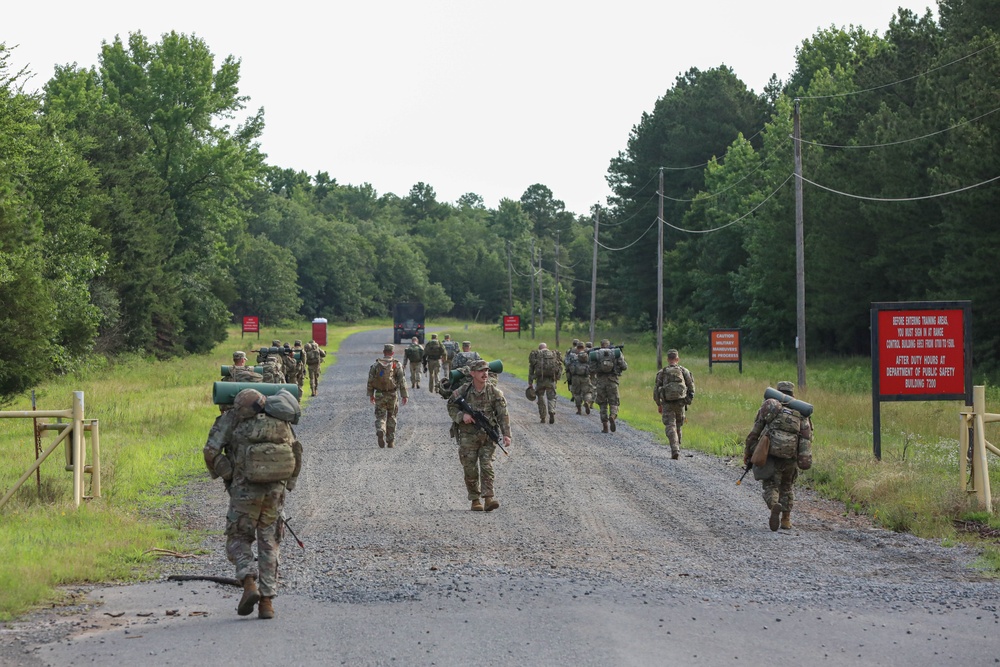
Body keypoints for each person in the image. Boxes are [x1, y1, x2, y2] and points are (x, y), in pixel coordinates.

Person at [202, 387, 302, 619]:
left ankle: (248, 582)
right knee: (269, 541)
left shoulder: (232, 419)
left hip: (244, 490)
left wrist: (228, 474)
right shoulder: (280, 419)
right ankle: (267, 602)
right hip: (274, 492)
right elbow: (296, 451)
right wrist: (289, 483)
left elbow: (210, 451)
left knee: (238, 538)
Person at [743, 381, 814, 531]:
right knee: (787, 487)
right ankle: (786, 520)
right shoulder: (802, 414)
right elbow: (807, 439)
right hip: (790, 457)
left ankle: (774, 504)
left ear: (777, 392)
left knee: (770, 484)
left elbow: (754, 432)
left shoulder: (770, 407)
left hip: (769, 454)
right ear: (793, 395)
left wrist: (748, 452)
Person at [447, 359, 512, 511]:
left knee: (486, 465)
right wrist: (461, 416)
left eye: (486, 371)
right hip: (467, 436)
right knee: (470, 468)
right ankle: (475, 499)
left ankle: (489, 498)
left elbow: (503, 414)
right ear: (473, 373)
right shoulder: (463, 390)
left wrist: (506, 434)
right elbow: (451, 405)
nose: (485, 374)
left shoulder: (494, 392)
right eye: (481, 371)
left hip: (488, 436)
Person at [653, 349, 695, 460]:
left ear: (668, 359)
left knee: (670, 425)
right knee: (678, 425)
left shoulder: (662, 372)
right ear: (677, 359)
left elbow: (656, 390)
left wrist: (659, 404)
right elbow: (691, 388)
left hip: (667, 403)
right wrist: (687, 401)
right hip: (680, 403)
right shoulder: (684, 371)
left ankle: (675, 449)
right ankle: (678, 445)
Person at [367, 343, 408, 448]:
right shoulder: (396, 365)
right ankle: (390, 441)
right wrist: (404, 395)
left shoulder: (376, 365)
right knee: (392, 417)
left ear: (384, 352)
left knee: (380, 416)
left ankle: (380, 429)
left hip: (379, 394)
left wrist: (371, 394)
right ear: (392, 353)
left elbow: (370, 380)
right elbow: (402, 381)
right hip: (392, 394)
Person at [589, 339, 628, 433]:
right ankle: (613, 416)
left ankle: (605, 426)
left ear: (601, 345)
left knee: (602, 404)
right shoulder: (615, 353)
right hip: (613, 381)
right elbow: (624, 366)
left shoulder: (596, 353)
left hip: (600, 382)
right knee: (614, 402)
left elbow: (591, 368)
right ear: (609, 345)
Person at [527, 342, 562, 424]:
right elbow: (560, 367)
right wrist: (557, 377)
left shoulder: (537, 355)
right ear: (547, 347)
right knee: (551, 397)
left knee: (540, 397)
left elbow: (531, 369)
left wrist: (530, 382)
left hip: (540, 380)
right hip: (551, 380)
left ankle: (543, 417)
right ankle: (552, 411)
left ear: (539, 348)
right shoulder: (553, 354)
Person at [568, 341, 593, 415]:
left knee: (576, 393)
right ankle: (587, 402)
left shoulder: (573, 354)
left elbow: (567, 363)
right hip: (585, 377)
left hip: (575, 377)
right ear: (584, 347)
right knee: (587, 392)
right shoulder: (588, 354)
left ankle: (579, 410)